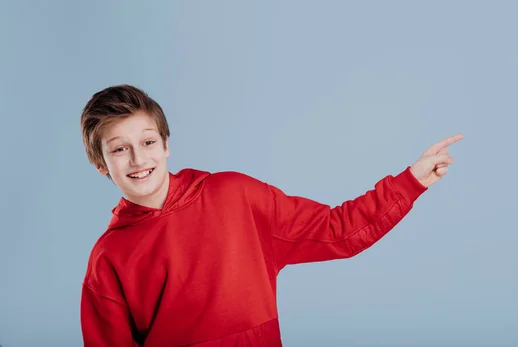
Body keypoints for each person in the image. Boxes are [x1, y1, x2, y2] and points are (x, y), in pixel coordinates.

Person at [79, 84, 462, 347]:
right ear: (101, 165)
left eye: (147, 142)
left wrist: (411, 182)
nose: (138, 158)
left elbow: (338, 231)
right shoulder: (109, 257)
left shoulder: (235, 196)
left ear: (165, 145)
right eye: (119, 149)